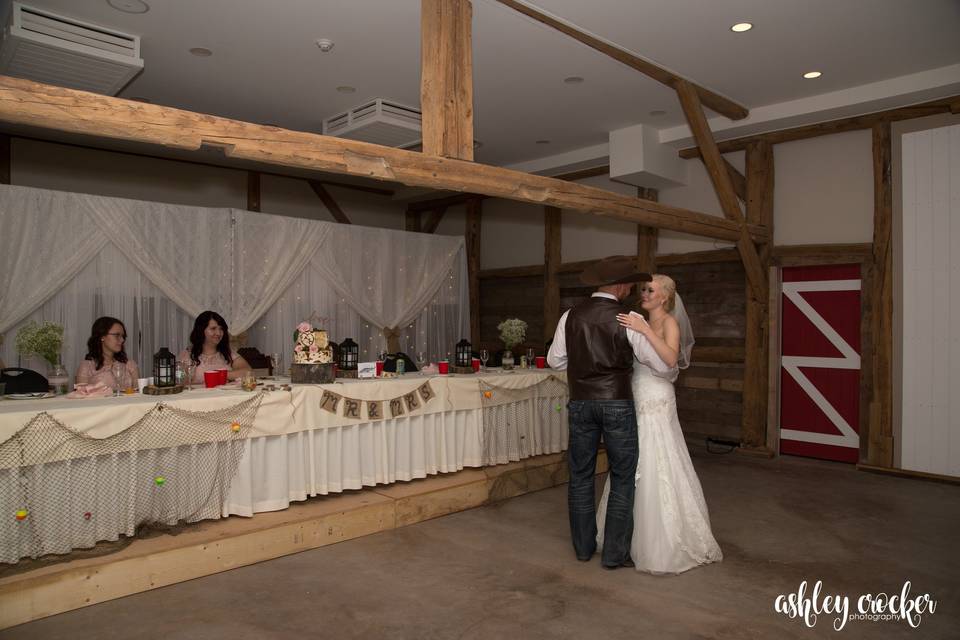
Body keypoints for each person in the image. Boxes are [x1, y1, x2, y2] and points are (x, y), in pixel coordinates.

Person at [547, 255, 674, 569]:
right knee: (621, 477)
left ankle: (582, 548)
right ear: (619, 286)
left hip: (580, 404)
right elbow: (659, 364)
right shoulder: (627, 318)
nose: (632, 288)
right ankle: (615, 554)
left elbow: (555, 361)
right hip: (617, 403)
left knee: (579, 476)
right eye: (630, 283)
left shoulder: (569, 316)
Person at [596, 274, 723, 574]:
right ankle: (622, 535)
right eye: (643, 289)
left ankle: (661, 541)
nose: (644, 293)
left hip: (657, 396)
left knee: (658, 457)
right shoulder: (636, 319)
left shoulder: (668, 323)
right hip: (635, 393)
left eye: (650, 290)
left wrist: (644, 330)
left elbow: (669, 360)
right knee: (630, 460)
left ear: (664, 297)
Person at [179, 311, 252, 383]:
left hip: (225, 394)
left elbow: (248, 372)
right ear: (201, 330)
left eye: (221, 329)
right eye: (213, 328)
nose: (218, 333)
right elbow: (181, 382)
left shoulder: (228, 353)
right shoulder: (188, 355)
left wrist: (220, 375)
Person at [75, 316, 140, 390]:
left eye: (123, 336)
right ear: (102, 336)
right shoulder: (87, 366)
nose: (122, 340)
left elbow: (138, 394)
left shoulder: (130, 364)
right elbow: (81, 396)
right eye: (117, 335)